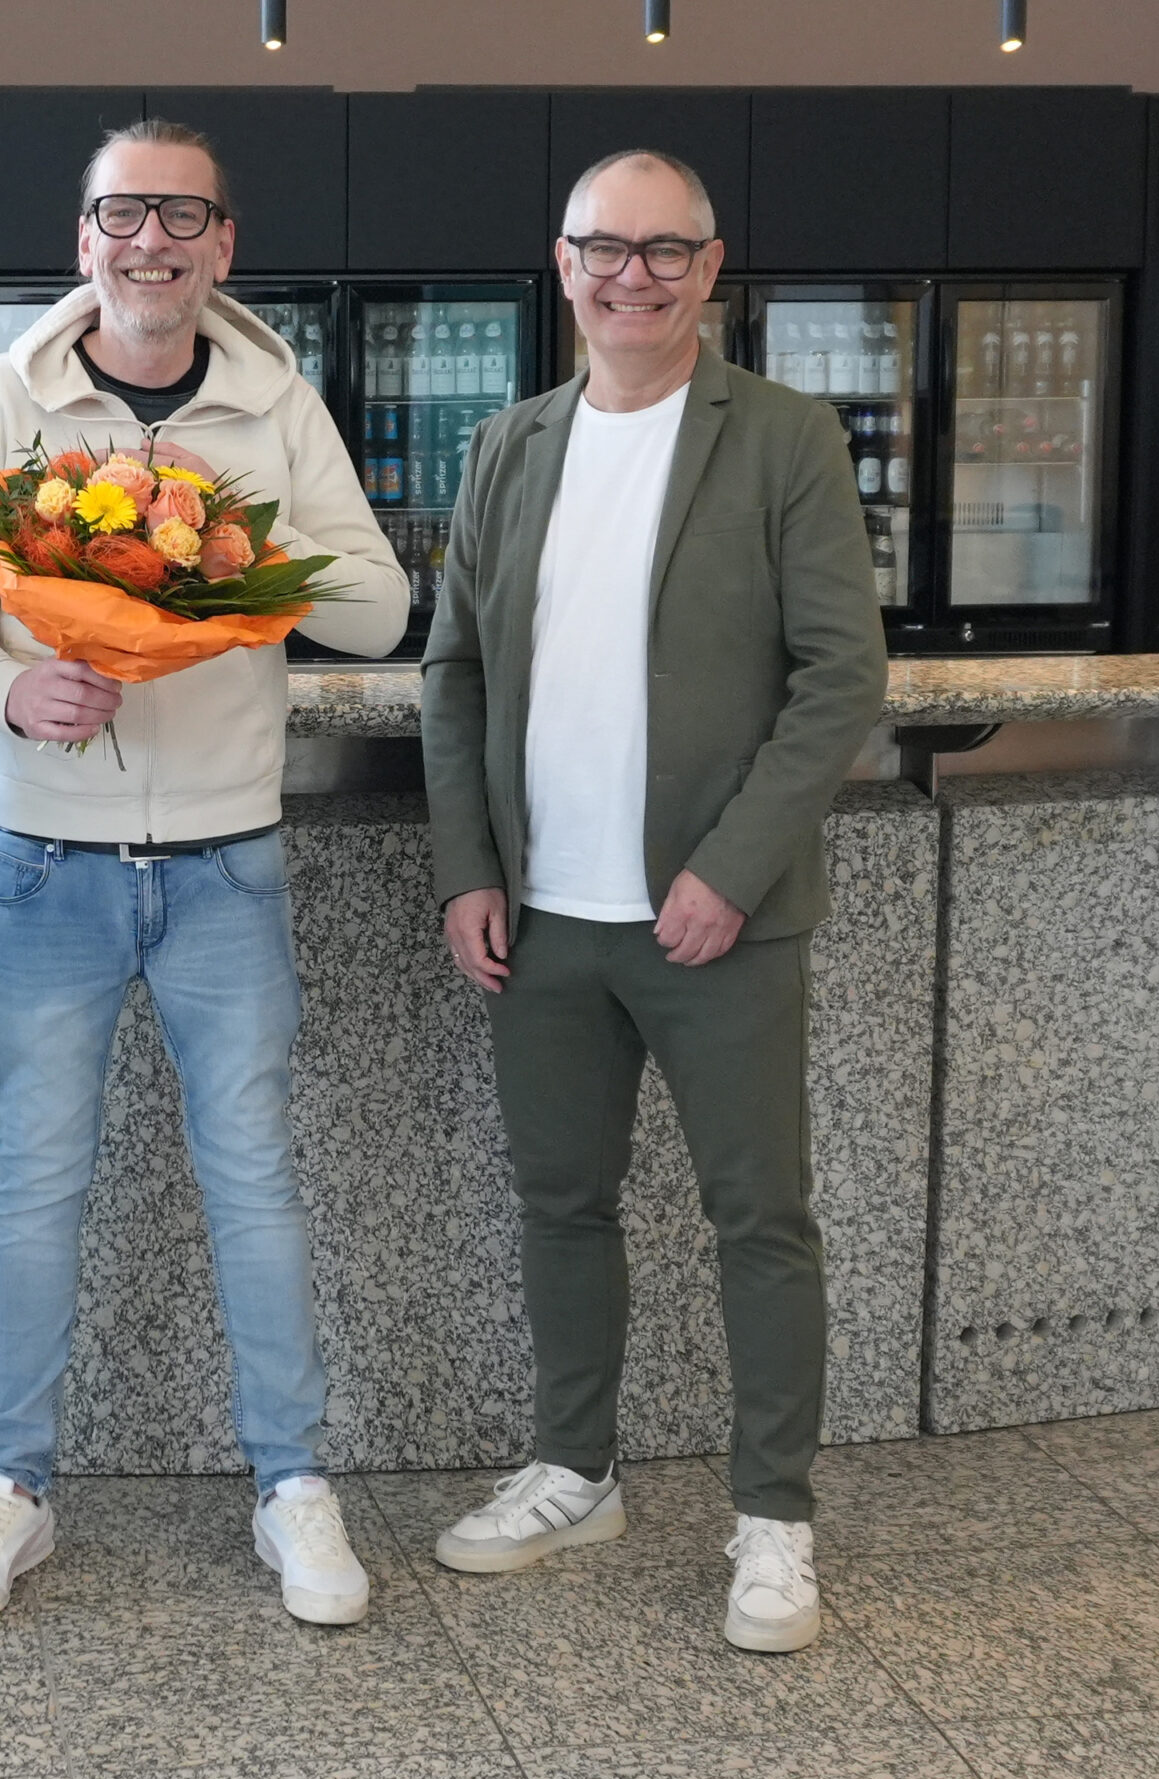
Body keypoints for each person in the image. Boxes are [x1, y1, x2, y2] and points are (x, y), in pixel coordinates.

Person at [0, 119, 409, 1628]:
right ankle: (12, 1487)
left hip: (226, 865)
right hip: (46, 862)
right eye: (123, 213)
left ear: (222, 246)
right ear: (84, 239)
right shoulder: (3, 401)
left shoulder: (276, 406)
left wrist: (218, 574)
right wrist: (13, 691)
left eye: (182, 217)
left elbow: (381, 614)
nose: (152, 243)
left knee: (254, 1182)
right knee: (33, 1180)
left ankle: (292, 1486)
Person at [419, 149, 887, 1653]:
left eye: (665, 249)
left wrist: (729, 868)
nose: (634, 274)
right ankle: (574, 1470)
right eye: (605, 248)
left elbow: (841, 680)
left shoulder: (785, 436)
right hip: (542, 917)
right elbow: (455, 673)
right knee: (562, 1206)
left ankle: (774, 1519)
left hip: (716, 918)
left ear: (711, 265)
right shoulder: (507, 445)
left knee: (761, 1217)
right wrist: (471, 870)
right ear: (562, 264)